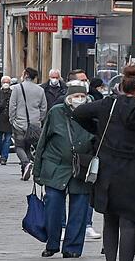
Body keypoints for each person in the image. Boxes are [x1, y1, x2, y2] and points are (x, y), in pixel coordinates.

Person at [72, 65, 135, 261]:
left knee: (110, 220)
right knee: (129, 223)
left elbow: (79, 113)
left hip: (108, 171)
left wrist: (99, 133)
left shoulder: (108, 105)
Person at [33, 83, 95, 258]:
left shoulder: (92, 114)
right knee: (52, 204)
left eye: (83, 97)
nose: (79, 100)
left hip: (81, 167)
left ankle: (72, 248)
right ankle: (52, 243)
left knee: (80, 208)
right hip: (56, 165)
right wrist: (37, 170)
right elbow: (43, 141)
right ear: (68, 98)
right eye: (76, 97)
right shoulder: (56, 112)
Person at [9, 67, 48, 180]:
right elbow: (43, 107)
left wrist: (12, 119)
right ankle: (24, 171)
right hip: (34, 124)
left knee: (19, 146)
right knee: (28, 146)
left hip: (20, 123)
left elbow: (13, 106)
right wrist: (39, 119)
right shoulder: (40, 90)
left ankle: (26, 163)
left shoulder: (17, 88)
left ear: (25, 75)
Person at [0, 75, 13, 165]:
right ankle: (2, 152)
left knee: (7, 140)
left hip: (9, 119)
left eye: (7, 82)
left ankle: (4, 157)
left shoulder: (13, 93)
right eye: (4, 82)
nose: (6, 84)